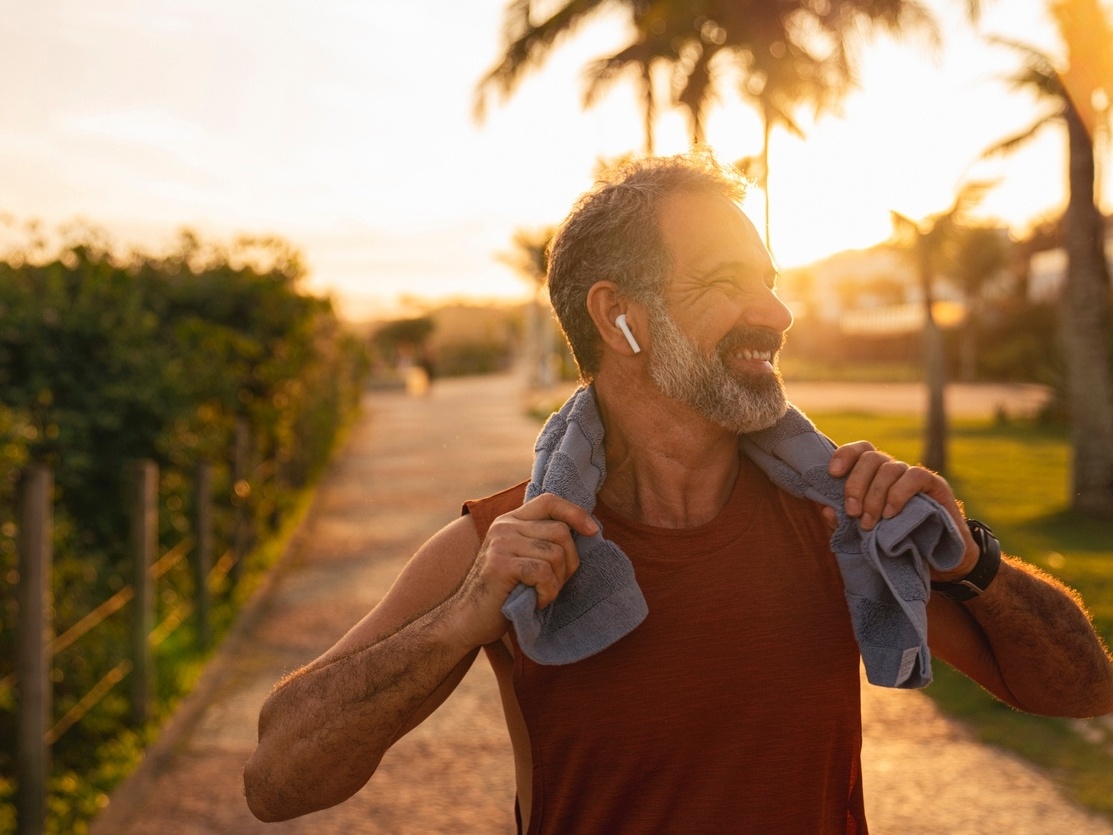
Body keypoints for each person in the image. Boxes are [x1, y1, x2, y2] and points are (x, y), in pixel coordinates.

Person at [244, 152, 1113, 832]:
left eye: (769, 280)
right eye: (727, 281)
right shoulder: (501, 547)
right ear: (618, 315)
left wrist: (968, 559)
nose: (774, 311)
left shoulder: (839, 522)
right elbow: (277, 779)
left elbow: (1082, 688)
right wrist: (462, 617)